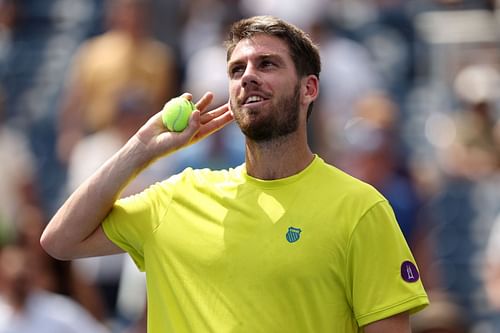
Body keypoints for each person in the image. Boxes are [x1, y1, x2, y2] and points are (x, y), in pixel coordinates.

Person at [41, 15, 429, 332]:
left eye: (267, 64)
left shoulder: (362, 208)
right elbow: (60, 241)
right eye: (236, 69)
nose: (247, 76)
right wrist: (140, 149)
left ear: (309, 88)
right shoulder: (178, 195)